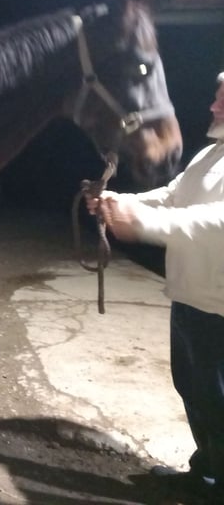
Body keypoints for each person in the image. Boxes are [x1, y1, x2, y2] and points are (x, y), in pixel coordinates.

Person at [88, 71, 224, 499]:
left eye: (223, 99)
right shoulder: (211, 154)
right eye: (217, 96)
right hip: (189, 297)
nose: (213, 105)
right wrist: (120, 202)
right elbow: (171, 195)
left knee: (219, 402)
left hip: (219, 309)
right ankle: (206, 473)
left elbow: (216, 221)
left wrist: (144, 223)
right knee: (195, 391)